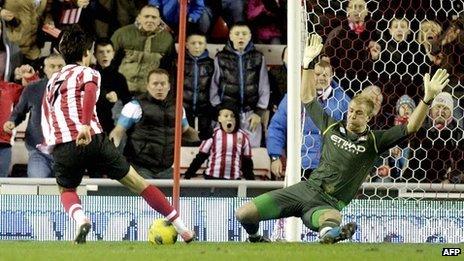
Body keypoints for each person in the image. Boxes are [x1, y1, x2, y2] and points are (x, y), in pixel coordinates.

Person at [235, 34, 450, 244]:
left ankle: (330, 235)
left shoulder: (375, 141)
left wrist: (427, 98)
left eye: (358, 113)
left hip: (327, 203)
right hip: (304, 190)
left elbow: (411, 126)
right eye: (351, 110)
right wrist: (308, 65)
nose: (352, 115)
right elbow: (308, 98)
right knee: (244, 214)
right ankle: (256, 239)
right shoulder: (331, 126)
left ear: (369, 116)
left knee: (332, 220)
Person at [40, 25, 195, 244]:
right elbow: (91, 91)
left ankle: (81, 219)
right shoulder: (89, 72)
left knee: (66, 189)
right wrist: (84, 124)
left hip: (65, 143)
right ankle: (183, 228)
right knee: (138, 183)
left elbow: (47, 115)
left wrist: (51, 144)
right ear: (86, 54)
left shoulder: (51, 82)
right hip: (93, 137)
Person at [109, 68, 199, 179]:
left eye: (163, 84)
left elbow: (187, 131)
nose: (159, 87)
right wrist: (112, 153)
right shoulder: (134, 106)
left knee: (170, 197)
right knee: (148, 195)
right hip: (140, 167)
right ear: (147, 86)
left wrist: (204, 137)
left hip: (166, 168)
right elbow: (118, 131)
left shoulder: (178, 108)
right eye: (155, 84)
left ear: (169, 86)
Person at [267, 60, 350, 180]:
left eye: (325, 75)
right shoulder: (293, 97)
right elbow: (277, 127)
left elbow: (353, 132)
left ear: (332, 76)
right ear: (310, 75)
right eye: (317, 74)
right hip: (299, 165)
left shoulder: (343, 101)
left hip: (331, 167)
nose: (321, 77)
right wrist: (275, 157)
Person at [3, 54, 65, 178]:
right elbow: (19, 112)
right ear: (45, 69)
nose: (57, 70)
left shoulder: (75, 89)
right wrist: (12, 121)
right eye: (52, 66)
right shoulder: (33, 88)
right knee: (37, 184)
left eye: (60, 66)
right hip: (38, 152)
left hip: (66, 154)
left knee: (66, 193)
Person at [210, 21, 270, 148]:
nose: (241, 37)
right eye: (237, 34)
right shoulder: (220, 58)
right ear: (231, 36)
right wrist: (220, 111)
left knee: (251, 153)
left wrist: (259, 112)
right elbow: (213, 86)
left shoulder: (258, 57)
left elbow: (264, 86)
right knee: (225, 151)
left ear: (250, 36)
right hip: (228, 114)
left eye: (244, 34)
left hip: (250, 114)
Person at [111, 5, 175, 95]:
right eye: (146, 16)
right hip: (122, 90)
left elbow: (168, 68)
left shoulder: (167, 39)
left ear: (159, 20)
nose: (150, 20)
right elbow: (110, 62)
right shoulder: (122, 34)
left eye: (154, 17)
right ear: (139, 18)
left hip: (149, 93)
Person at [184, 103, 254, 180]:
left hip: (233, 181)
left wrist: (251, 182)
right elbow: (200, 157)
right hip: (212, 178)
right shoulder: (212, 134)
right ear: (219, 118)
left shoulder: (243, 136)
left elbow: (247, 162)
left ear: (236, 119)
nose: (229, 118)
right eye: (226, 116)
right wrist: (188, 175)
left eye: (233, 116)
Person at [403, 92, 463, 183]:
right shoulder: (419, 128)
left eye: (446, 108)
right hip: (414, 181)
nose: (441, 111)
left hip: (442, 185)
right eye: (438, 107)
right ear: (431, 109)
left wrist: (450, 180)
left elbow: (461, 166)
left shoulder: (458, 134)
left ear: (451, 112)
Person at [93, 38, 132, 134]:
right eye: (101, 52)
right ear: (95, 55)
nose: (105, 55)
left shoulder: (119, 78)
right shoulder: (89, 74)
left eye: (108, 51)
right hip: (91, 121)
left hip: (111, 123)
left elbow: (127, 102)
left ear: (113, 54)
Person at [183, 32, 214, 140]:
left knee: (206, 143)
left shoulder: (211, 64)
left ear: (205, 45)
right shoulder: (179, 62)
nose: (197, 46)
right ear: (186, 45)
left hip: (205, 111)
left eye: (200, 43)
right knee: (185, 141)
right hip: (184, 109)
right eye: (193, 43)